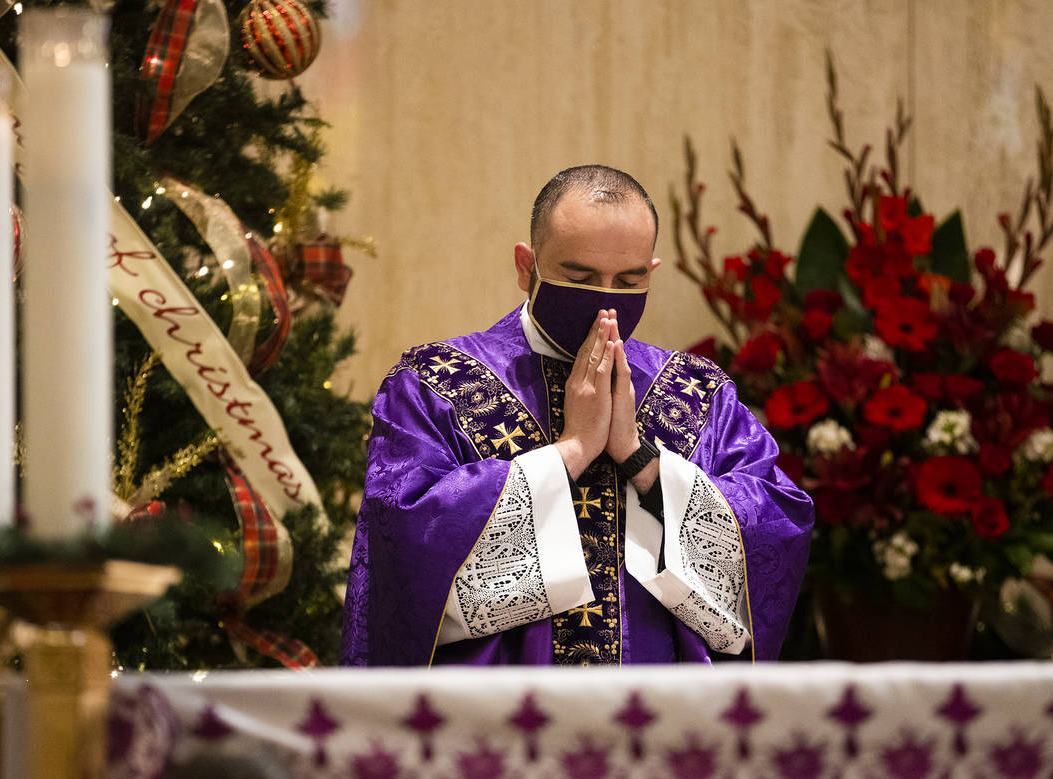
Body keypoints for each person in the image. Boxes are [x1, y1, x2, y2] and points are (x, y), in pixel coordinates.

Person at [341, 165, 813, 666]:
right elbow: (405, 545)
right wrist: (570, 452)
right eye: (579, 277)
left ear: (650, 273)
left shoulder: (698, 392)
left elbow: (775, 529)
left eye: (628, 280)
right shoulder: (434, 383)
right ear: (527, 267)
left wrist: (642, 460)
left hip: (662, 711)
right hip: (496, 717)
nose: (605, 301)